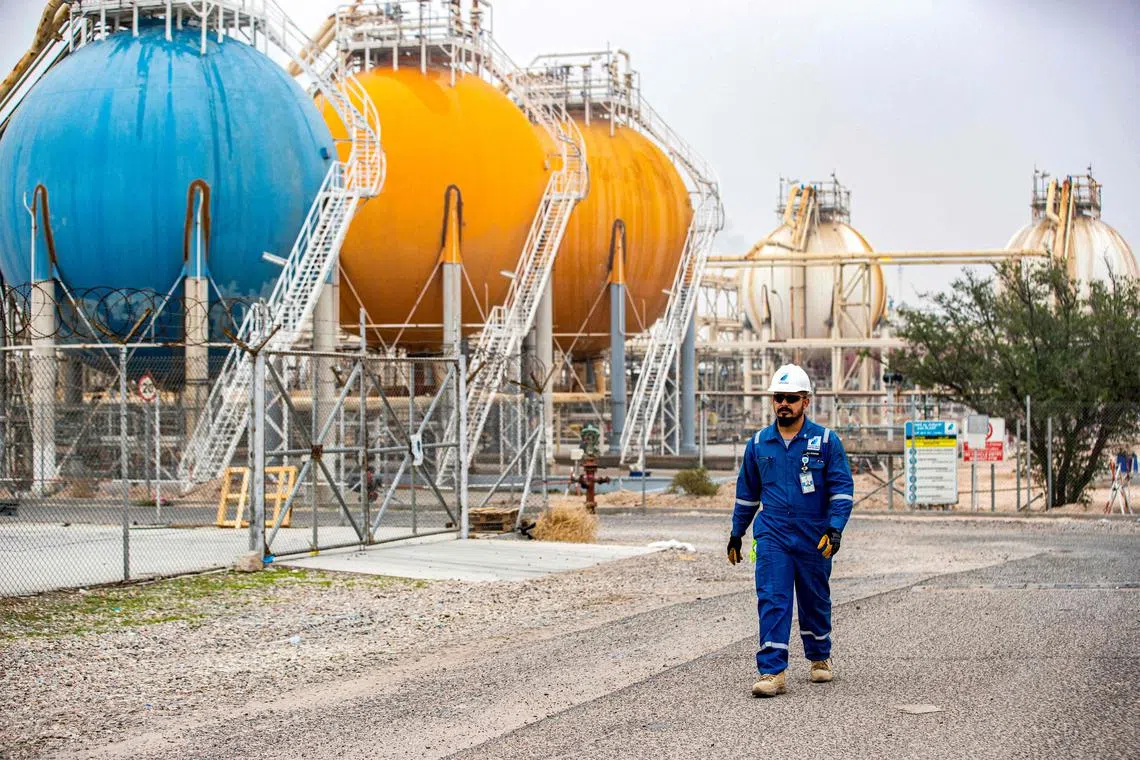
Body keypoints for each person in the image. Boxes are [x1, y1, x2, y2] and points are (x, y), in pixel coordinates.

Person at [727, 364, 855, 697]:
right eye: (778, 398)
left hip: (814, 535)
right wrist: (736, 533)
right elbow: (746, 494)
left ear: (806, 401)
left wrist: (835, 528)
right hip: (772, 534)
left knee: (815, 598)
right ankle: (772, 671)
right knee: (773, 597)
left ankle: (819, 657)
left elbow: (842, 489)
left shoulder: (826, 441)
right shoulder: (758, 444)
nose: (784, 404)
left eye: (791, 398)